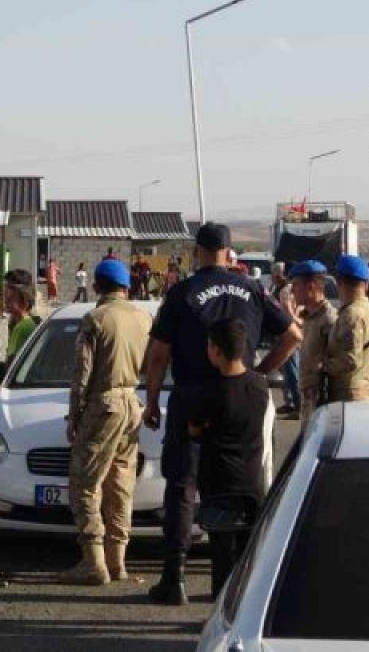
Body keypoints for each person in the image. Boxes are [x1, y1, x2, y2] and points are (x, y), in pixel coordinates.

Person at [142, 222, 299, 606]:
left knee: (182, 486)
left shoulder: (181, 292)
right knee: (234, 484)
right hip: (240, 395)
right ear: (230, 253)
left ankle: (174, 577)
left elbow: (159, 354)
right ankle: (230, 582)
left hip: (192, 393)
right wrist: (259, 375)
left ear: (198, 250)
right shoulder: (253, 289)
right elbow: (294, 334)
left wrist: (150, 401)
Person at [58, 259, 153, 586]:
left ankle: (93, 562)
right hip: (131, 402)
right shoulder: (143, 318)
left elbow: (82, 373)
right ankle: (118, 561)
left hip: (104, 404)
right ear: (126, 287)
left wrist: (75, 413)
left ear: (97, 286)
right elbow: (150, 364)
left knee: (85, 482)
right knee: (121, 483)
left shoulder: (95, 319)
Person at [188, 319, 269, 599]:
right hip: (251, 481)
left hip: (219, 483)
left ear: (216, 350)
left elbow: (194, 427)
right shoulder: (260, 386)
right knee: (248, 557)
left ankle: (222, 612)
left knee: (222, 557)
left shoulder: (210, 390)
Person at [324, 255, 369, 402]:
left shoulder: (352, 315)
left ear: (339, 282)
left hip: (350, 396)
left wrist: (323, 365)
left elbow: (351, 360)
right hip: (368, 391)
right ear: (365, 283)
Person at [289, 260, 337, 420]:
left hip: (321, 401)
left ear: (311, 286)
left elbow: (337, 364)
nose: (292, 291)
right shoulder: (308, 316)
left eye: (296, 285)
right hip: (308, 397)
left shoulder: (329, 319)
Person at [269, 263, 301, 416]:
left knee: (292, 370)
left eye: (275, 275)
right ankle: (290, 402)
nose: (274, 278)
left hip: (288, 334)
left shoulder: (286, 290)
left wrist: (297, 322)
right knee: (286, 370)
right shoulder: (280, 289)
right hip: (285, 333)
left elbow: (288, 313)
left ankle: (297, 405)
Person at [5, 284, 40, 364]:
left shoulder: (21, 327)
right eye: (7, 299)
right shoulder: (29, 322)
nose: (6, 302)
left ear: (24, 303)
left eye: (11, 299)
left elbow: (11, 358)